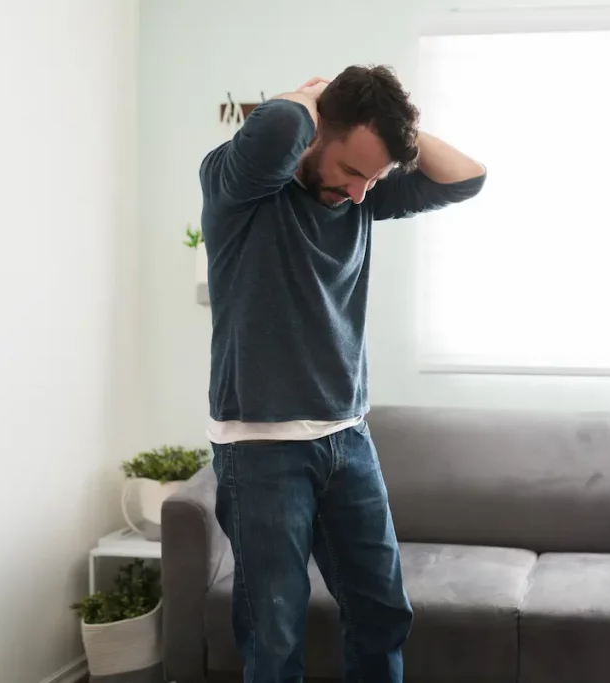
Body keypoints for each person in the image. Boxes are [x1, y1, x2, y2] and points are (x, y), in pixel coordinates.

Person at [198, 65, 486, 683]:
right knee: (274, 640)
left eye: (373, 178)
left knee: (382, 613)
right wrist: (312, 95)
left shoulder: (361, 196)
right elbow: (277, 125)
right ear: (317, 129)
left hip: (348, 440)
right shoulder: (238, 187)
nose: (360, 192)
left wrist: (393, 133)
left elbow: (467, 178)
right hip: (261, 450)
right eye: (353, 170)